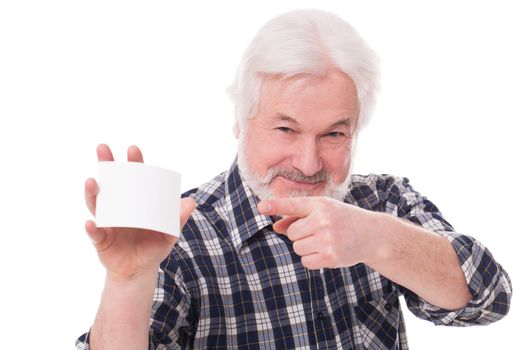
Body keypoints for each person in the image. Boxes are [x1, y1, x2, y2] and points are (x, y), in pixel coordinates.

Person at [76, 9, 512, 350]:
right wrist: (129, 282)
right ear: (240, 122)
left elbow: (489, 299)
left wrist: (375, 239)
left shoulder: (383, 202)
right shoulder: (177, 237)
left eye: (334, 134)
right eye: (285, 129)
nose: (307, 164)